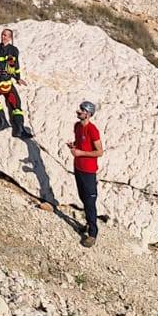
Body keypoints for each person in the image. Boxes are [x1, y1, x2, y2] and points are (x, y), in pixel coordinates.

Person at [69, 100, 103, 246]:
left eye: (81, 110)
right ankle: (88, 224)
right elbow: (80, 143)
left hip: (89, 171)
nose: (78, 111)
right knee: (83, 197)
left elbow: (99, 152)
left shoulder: (92, 129)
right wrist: (74, 146)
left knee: (90, 201)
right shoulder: (77, 126)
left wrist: (80, 152)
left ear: (88, 114)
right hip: (78, 167)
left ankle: (92, 234)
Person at [0, 29, 30, 136]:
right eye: (2, 35)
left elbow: (14, 65)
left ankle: (20, 128)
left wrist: (17, 78)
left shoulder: (13, 50)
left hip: (6, 79)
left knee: (15, 102)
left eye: (6, 35)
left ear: (10, 38)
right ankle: (2, 121)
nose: (3, 37)